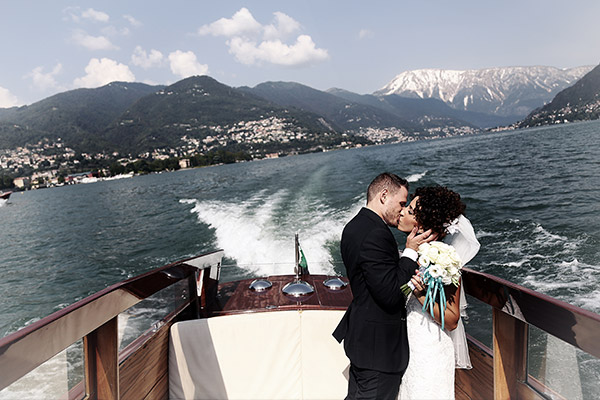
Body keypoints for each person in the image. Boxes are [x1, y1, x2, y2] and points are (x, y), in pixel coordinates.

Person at [333, 172, 435, 400]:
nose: (402, 209)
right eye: (401, 203)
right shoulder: (377, 234)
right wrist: (409, 252)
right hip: (379, 350)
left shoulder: (353, 226)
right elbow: (390, 294)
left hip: (363, 341)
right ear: (383, 195)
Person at [396, 186, 480, 400]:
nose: (403, 211)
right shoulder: (409, 255)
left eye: (411, 211)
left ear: (422, 225)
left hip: (430, 350)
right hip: (410, 349)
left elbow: (451, 319)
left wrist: (420, 294)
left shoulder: (442, 259)